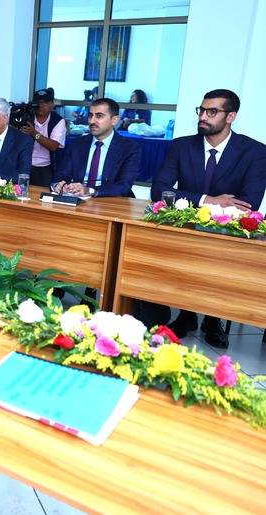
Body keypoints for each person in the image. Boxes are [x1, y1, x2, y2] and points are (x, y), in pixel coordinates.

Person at [151, 89, 266, 348]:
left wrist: (210, 208)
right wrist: (208, 200)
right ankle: (186, 315)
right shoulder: (181, 146)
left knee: (221, 254)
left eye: (212, 111)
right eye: (201, 110)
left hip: (227, 233)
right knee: (182, 249)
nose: (203, 116)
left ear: (230, 116)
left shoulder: (255, 151)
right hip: (187, 228)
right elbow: (159, 190)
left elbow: (249, 203)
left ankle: (214, 320)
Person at [52, 98, 140, 198]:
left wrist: (90, 190)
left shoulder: (129, 148)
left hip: (110, 201)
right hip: (78, 200)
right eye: (90, 116)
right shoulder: (77, 144)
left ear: (114, 120)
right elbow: (61, 176)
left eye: (99, 116)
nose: (92, 121)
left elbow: (123, 186)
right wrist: (58, 185)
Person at [19, 87, 66, 187]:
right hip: (25, 165)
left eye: (45, 102)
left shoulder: (58, 121)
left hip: (46, 167)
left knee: (45, 194)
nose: (41, 105)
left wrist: (33, 133)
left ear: (52, 104)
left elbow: (53, 146)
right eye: (38, 102)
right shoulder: (26, 117)